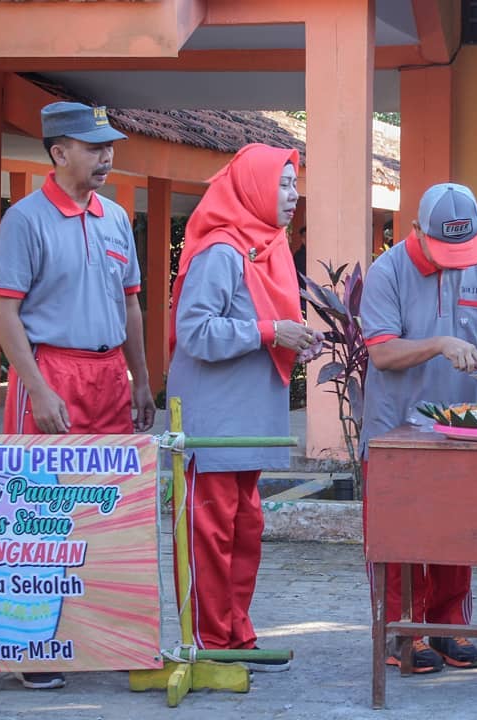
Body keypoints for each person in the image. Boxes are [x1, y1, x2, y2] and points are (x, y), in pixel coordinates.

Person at [0, 101, 155, 690]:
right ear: (59, 153)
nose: (106, 155)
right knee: (42, 510)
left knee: (109, 511)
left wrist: (141, 381)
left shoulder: (114, 218)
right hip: (52, 373)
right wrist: (37, 388)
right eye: (93, 146)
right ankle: (34, 649)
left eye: (108, 146)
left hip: (111, 374)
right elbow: (4, 311)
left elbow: (131, 303)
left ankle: (105, 635)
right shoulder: (25, 220)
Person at [166, 144, 323, 658]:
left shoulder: (268, 247)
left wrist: (294, 338)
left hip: (248, 421)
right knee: (208, 535)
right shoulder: (221, 250)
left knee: (245, 530)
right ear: (252, 188)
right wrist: (269, 331)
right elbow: (195, 332)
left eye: (293, 183)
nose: (292, 194)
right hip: (212, 421)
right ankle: (209, 643)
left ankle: (236, 633)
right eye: (281, 184)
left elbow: (266, 329)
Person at [361, 182, 477, 674]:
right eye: (446, 249)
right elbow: (383, 351)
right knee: (399, 536)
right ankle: (400, 630)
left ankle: (447, 625)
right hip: (397, 431)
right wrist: (439, 343)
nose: (457, 261)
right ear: (416, 232)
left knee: (459, 532)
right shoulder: (387, 271)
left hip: (464, 428)